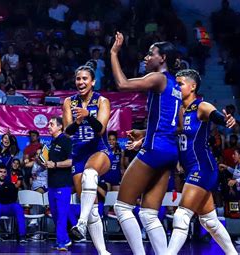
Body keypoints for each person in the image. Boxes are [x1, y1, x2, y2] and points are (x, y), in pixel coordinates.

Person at [110, 32, 181, 255]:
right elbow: (175, 125)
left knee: (122, 207)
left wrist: (113, 53)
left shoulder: (159, 78)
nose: (146, 57)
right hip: (170, 151)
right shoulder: (175, 85)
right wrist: (143, 132)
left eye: (151, 54)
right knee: (149, 214)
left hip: (155, 149)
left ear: (163, 59)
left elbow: (122, 84)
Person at [165, 69, 238, 254]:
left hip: (203, 167)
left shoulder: (202, 106)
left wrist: (226, 120)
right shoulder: (178, 110)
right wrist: (142, 138)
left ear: (193, 86)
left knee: (181, 216)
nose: (177, 87)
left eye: (180, 84)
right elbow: (169, 133)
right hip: (189, 170)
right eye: (176, 83)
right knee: (209, 221)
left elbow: (217, 117)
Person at [63, 61, 112, 255]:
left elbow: (100, 130)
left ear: (93, 82)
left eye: (85, 79)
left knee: (90, 175)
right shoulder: (69, 102)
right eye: (78, 78)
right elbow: (67, 132)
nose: (80, 82)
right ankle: (103, 251)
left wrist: (88, 116)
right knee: (90, 208)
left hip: (100, 150)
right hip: (78, 154)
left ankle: (80, 224)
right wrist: (77, 120)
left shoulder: (102, 101)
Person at [44, 116, 73, 251]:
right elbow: (50, 163)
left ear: (60, 126)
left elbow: (71, 161)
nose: (49, 126)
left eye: (51, 124)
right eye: (49, 124)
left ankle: (61, 242)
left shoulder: (66, 141)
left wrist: (55, 164)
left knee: (61, 214)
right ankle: (65, 239)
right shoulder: (52, 142)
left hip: (63, 184)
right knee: (55, 214)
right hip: (52, 184)